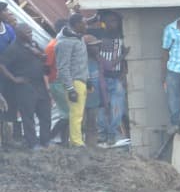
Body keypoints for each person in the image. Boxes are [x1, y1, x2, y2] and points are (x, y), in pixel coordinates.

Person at [86, 10, 129, 147]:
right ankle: (103, 133)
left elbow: (124, 61)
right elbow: (78, 27)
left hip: (116, 78)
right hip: (101, 77)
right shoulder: (97, 33)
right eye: (110, 21)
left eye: (115, 21)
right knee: (101, 108)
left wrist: (123, 75)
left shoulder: (123, 34)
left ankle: (111, 134)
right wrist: (94, 19)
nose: (113, 24)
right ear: (103, 22)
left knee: (117, 108)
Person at [0, 33, 50, 150]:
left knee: (45, 113)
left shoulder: (33, 44)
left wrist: (40, 54)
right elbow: (2, 65)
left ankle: (45, 141)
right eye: (27, 33)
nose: (30, 35)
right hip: (25, 86)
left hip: (40, 83)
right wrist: (13, 78)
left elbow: (44, 58)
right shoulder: (13, 49)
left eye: (31, 32)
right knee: (28, 116)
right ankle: (32, 143)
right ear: (19, 34)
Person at [53, 14, 90, 148]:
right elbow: (63, 67)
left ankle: (75, 140)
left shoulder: (78, 38)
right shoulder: (65, 43)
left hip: (81, 79)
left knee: (79, 113)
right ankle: (76, 142)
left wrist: (88, 79)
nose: (86, 26)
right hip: (74, 81)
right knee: (76, 113)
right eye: (84, 23)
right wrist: (70, 89)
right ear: (76, 25)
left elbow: (82, 61)